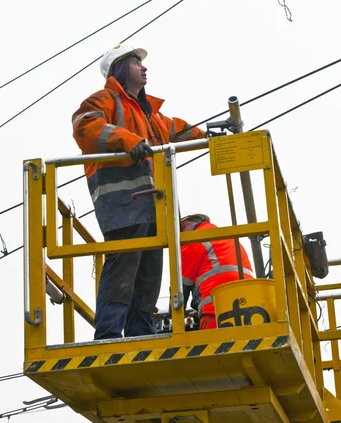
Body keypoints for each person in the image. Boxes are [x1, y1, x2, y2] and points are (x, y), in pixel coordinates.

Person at [72, 43, 205, 340]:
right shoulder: (104, 100)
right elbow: (84, 126)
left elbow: (179, 129)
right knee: (124, 265)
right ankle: (108, 333)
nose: (144, 68)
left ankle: (140, 332)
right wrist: (126, 140)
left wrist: (211, 134)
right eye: (136, 63)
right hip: (123, 202)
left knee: (149, 270)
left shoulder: (149, 115)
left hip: (154, 205)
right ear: (120, 68)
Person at [180, 213, 254, 329]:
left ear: (190, 224)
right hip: (250, 309)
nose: (180, 235)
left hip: (215, 312)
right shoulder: (227, 237)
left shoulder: (192, 240)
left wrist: (176, 322)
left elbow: (180, 288)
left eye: (182, 228)